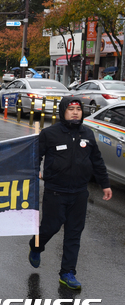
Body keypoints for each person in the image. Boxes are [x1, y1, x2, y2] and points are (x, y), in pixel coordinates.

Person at [29, 96, 112, 290]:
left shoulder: (88, 134)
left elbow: (97, 161)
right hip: (55, 192)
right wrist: (36, 172)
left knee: (74, 234)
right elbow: (35, 156)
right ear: (63, 111)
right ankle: (36, 246)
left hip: (79, 193)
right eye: (71, 109)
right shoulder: (50, 133)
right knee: (50, 228)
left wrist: (105, 184)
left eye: (78, 109)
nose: (75, 112)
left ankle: (67, 273)